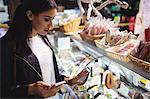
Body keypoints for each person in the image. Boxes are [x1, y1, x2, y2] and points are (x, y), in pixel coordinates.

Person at [1, 0, 89, 98]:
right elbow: (3, 91)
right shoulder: (7, 45)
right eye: (46, 20)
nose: (51, 26)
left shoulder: (42, 37)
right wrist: (31, 89)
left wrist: (66, 80)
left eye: (52, 20)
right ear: (30, 15)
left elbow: (50, 72)